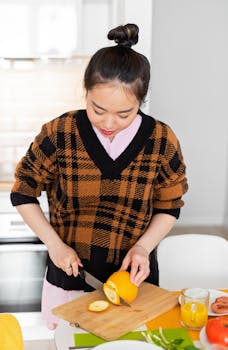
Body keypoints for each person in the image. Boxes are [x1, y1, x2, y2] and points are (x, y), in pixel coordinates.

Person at [10, 23, 188, 329]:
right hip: (68, 275)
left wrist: (143, 248)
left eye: (124, 114)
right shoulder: (60, 132)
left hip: (134, 281)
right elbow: (23, 192)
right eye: (97, 109)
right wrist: (54, 244)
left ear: (141, 102)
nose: (109, 123)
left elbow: (169, 206)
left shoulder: (161, 139)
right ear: (86, 92)